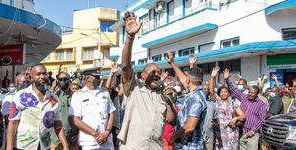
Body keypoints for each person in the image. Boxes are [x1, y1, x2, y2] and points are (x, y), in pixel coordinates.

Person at [117, 11, 177, 150]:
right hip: (132, 147)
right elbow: (125, 66)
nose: (157, 74)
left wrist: (168, 101)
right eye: (153, 72)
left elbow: (172, 121)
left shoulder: (164, 93)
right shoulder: (134, 88)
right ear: (143, 76)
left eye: (159, 72)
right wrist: (130, 37)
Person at [6, 64, 68, 150]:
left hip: (44, 146)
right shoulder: (20, 96)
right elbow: (12, 123)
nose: (42, 76)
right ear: (31, 78)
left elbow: (58, 125)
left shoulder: (54, 99)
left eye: (44, 73)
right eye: (38, 74)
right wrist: (9, 147)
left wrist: (65, 146)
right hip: (24, 146)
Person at [166, 50, 207, 150]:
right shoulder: (195, 91)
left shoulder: (196, 98)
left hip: (189, 146)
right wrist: (172, 63)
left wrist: (174, 137)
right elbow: (183, 78)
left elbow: (190, 126)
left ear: (189, 79)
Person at [69, 67, 115, 150]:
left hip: (107, 140)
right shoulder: (78, 95)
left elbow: (111, 114)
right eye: (96, 77)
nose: (99, 79)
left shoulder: (104, 92)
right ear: (88, 78)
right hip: (89, 142)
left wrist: (107, 132)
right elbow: (76, 120)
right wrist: (96, 134)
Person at [224, 69, 265, 150]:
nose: (250, 94)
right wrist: (227, 80)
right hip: (241, 132)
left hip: (252, 134)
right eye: (249, 92)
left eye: (253, 93)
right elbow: (233, 90)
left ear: (257, 94)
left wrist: (253, 131)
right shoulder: (244, 97)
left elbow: (262, 119)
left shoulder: (261, 104)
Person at [210, 67, 246, 150]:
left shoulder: (234, 103)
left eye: (225, 92)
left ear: (229, 94)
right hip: (220, 133)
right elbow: (211, 92)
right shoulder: (217, 101)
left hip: (232, 134)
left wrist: (235, 119)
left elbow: (243, 116)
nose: (223, 93)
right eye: (221, 92)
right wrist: (212, 77)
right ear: (219, 94)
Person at [51, 72, 79, 150]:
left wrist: (78, 134)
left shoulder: (76, 96)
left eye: (66, 79)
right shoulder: (54, 95)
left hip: (72, 139)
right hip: (56, 140)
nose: (63, 81)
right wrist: (53, 86)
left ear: (70, 81)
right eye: (60, 79)